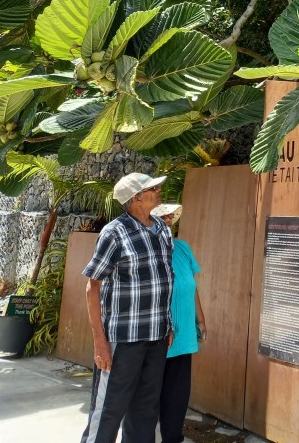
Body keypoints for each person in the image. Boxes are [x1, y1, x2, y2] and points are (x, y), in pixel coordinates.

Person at [81, 172, 173, 443]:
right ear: (136, 198)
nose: (157, 191)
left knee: (146, 410)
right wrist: (100, 341)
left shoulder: (162, 229)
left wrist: (167, 324)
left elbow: (164, 279)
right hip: (122, 339)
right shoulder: (115, 233)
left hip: (156, 337)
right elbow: (92, 286)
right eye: (151, 188)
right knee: (108, 410)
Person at [152, 203, 207, 443]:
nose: (168, 221)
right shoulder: (149, 249)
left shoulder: (182, 248)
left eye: (170, 217)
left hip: (184, 333)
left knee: (178, 391)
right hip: (158, 333)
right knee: (152, 390)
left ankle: (172, 438)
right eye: (162, 218)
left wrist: (201, 319)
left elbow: (191, 286)